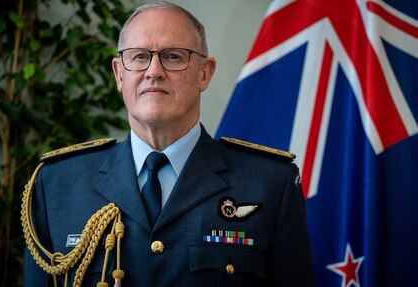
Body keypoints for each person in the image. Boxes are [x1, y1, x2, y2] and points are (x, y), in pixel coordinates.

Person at [22, 1, 316, 286]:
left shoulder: (270, 184)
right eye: (139, 57)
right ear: (118, 74)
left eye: (173, 56)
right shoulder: (56, 184)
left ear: (205, 73)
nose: (154, 71)